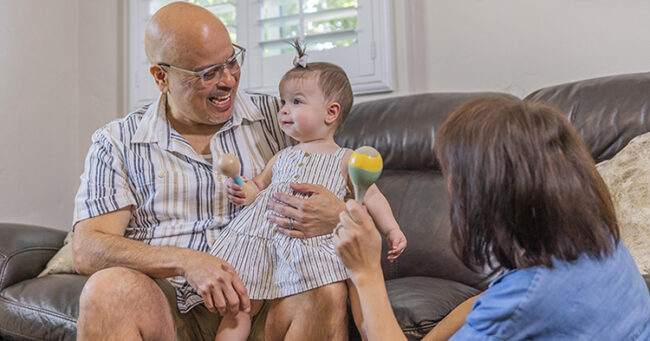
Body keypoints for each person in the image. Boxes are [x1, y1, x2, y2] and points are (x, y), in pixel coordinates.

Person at [71, 2, 349, 340]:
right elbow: (88, 249)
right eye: (208, 73)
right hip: (166, 305)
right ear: (162, 77)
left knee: (327, 291)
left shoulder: (280, 120)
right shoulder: (117, 141)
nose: (229, 80)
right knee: (107, 289)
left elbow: (347, 184)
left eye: (232, 61)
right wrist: (186, 261)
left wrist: (339, 214)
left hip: (262, 301)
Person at [333, 96, 650, 340]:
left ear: (490, 194)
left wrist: (364, 271)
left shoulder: (530, 297)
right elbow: (484, 301)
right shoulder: (601, 242)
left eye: (454, 177)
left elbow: (513, 303)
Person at [212, 42, 407, 340]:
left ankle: (374, 331)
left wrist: (392, 229)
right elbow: (258, 188)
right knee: (241, 305)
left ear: (331, 112)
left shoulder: (346, 158)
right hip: (266, 242)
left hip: (320, 242)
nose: (285, 109)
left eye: (297, 102)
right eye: (283, 102)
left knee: (354, 285)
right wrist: (241, 189)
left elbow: (371, 195)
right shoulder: (282, 156)